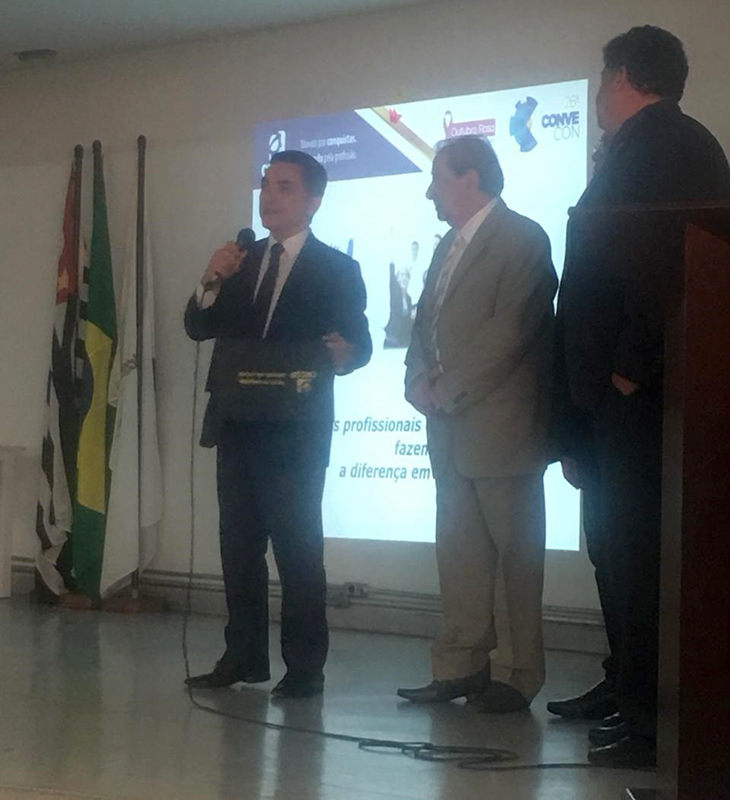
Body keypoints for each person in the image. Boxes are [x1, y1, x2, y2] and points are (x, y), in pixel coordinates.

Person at [549, 26, 730, 767]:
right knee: (614, 552)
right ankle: (626, 684)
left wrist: (631, 365)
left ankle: (653, 717)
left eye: (602, 80)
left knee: (642, 559)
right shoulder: (635, 148)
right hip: (610, 401)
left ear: (623, 76)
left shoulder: (675, 145)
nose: (597, 95)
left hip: (644, 400)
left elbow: (683, 269)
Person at [183, 150, 372, 698]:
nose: (269, 196)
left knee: (296, 550)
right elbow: (197, 325)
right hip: (237, 423)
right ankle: (242, 656)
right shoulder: (240, 262)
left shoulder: (337, 268)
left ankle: (305, 668)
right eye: (266, 185)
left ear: (314, 201)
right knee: (238, 547)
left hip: (295, 431)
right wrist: (212, 276)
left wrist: (348, 353)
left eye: (284, 187)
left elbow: (358, 343)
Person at [398, 135, 557, 712]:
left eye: (437, 180)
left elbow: (509, 333)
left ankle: (516, 674)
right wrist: (415, 379)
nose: (430, 193)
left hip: (502, 427)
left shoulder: (523, 238)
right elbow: (424, 323)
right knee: (459, 553)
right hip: (449, 427)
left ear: (470, 179)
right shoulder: (447, 244)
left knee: (517, 557)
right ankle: (460, 667)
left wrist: (445, 390)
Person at [383, 262, 414, 348]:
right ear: (397, 279)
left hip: (402, 340)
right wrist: (391, 264)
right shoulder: (395, 294)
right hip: (392, 340)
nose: (404, 278)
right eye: (402, 275)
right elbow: (392, 279)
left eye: (406, 275)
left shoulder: (408, 299)